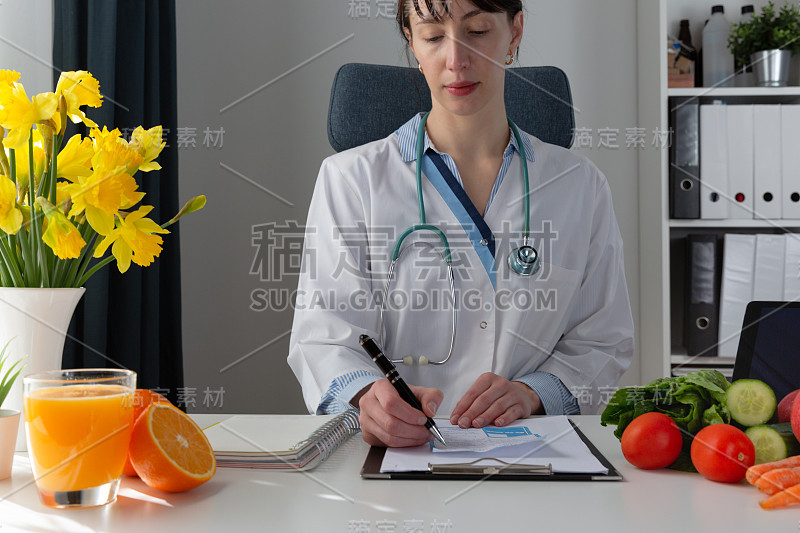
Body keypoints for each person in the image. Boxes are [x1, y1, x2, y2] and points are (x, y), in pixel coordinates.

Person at [288, 0, 634, 448]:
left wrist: (534, 392)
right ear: (412, 43)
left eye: (478, 31)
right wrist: (366, 397)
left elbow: (604, 338)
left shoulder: (578, 185)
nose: (456, 60)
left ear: (515, 33)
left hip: (534, 455)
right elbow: (324, 336)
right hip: (400, 458)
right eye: (433, 37)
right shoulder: (350, 181)